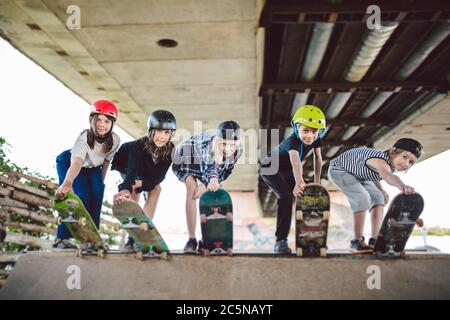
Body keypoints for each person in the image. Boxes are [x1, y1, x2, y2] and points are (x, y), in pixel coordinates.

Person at [328, 138, 423, 253]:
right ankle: (356, 241)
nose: (406, 163)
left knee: (378, 198)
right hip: (340, 170)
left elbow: (374, 174)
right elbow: (387, 176)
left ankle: (375, 239)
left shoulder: (388, 164)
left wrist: (381, 190)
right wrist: (401, 185)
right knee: (362, 197)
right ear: (394, 150)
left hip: (360, 174)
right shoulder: (380, 160)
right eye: (404, 157)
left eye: (411, 162)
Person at [53, 100, 120, 249]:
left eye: (107, 121)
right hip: (69, 163)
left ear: (112, 124)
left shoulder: (115, 140)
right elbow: (76, 163)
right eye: (98, 120)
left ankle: (91, 239)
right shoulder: (82, 139)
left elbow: (106, 162)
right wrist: (68, 182)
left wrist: (100, 183)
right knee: (79, 195)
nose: (102, 124)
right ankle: (61, 239)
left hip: (93, 167)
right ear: (91, 120)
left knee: (97, 192)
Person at [260, 105, 326, 254]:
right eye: (305, 131)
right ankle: (280, 241)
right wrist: (299, 182)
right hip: (270, 167)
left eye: (314, 131)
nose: (310, 135)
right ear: (297, 129)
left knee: (306, 196)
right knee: (286, 196)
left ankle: (310, 237)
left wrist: (317, 182)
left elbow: (318, 159)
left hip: (287, 170)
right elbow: (296, 162)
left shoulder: (316, 139)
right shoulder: (292, 141)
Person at [172, 120, 243, 253]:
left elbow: (227, 171)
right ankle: (191, 240)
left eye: (232, 145)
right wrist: (211, 180)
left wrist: (210, 183)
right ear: (218, 140)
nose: (228, 149)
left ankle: (211, 237)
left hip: (203, 166)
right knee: (192, 189)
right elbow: (210, 165)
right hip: (184, 160)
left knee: (212, 186)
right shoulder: (208, 145)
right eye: (224, 144)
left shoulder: (238, 150)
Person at [111, 110, 176, 251]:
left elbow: (159, 177)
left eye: (167, 133)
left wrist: (144, 183)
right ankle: (131, 237)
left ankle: (143, 227)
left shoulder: (171, 149)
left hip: (148, 172)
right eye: (159, 131)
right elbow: (131, 172)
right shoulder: (137, 146)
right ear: (151, 131)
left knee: (157, 188)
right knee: (134, 189)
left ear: (171, 134)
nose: (162, 137)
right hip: (126, 165)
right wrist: (125, 189)